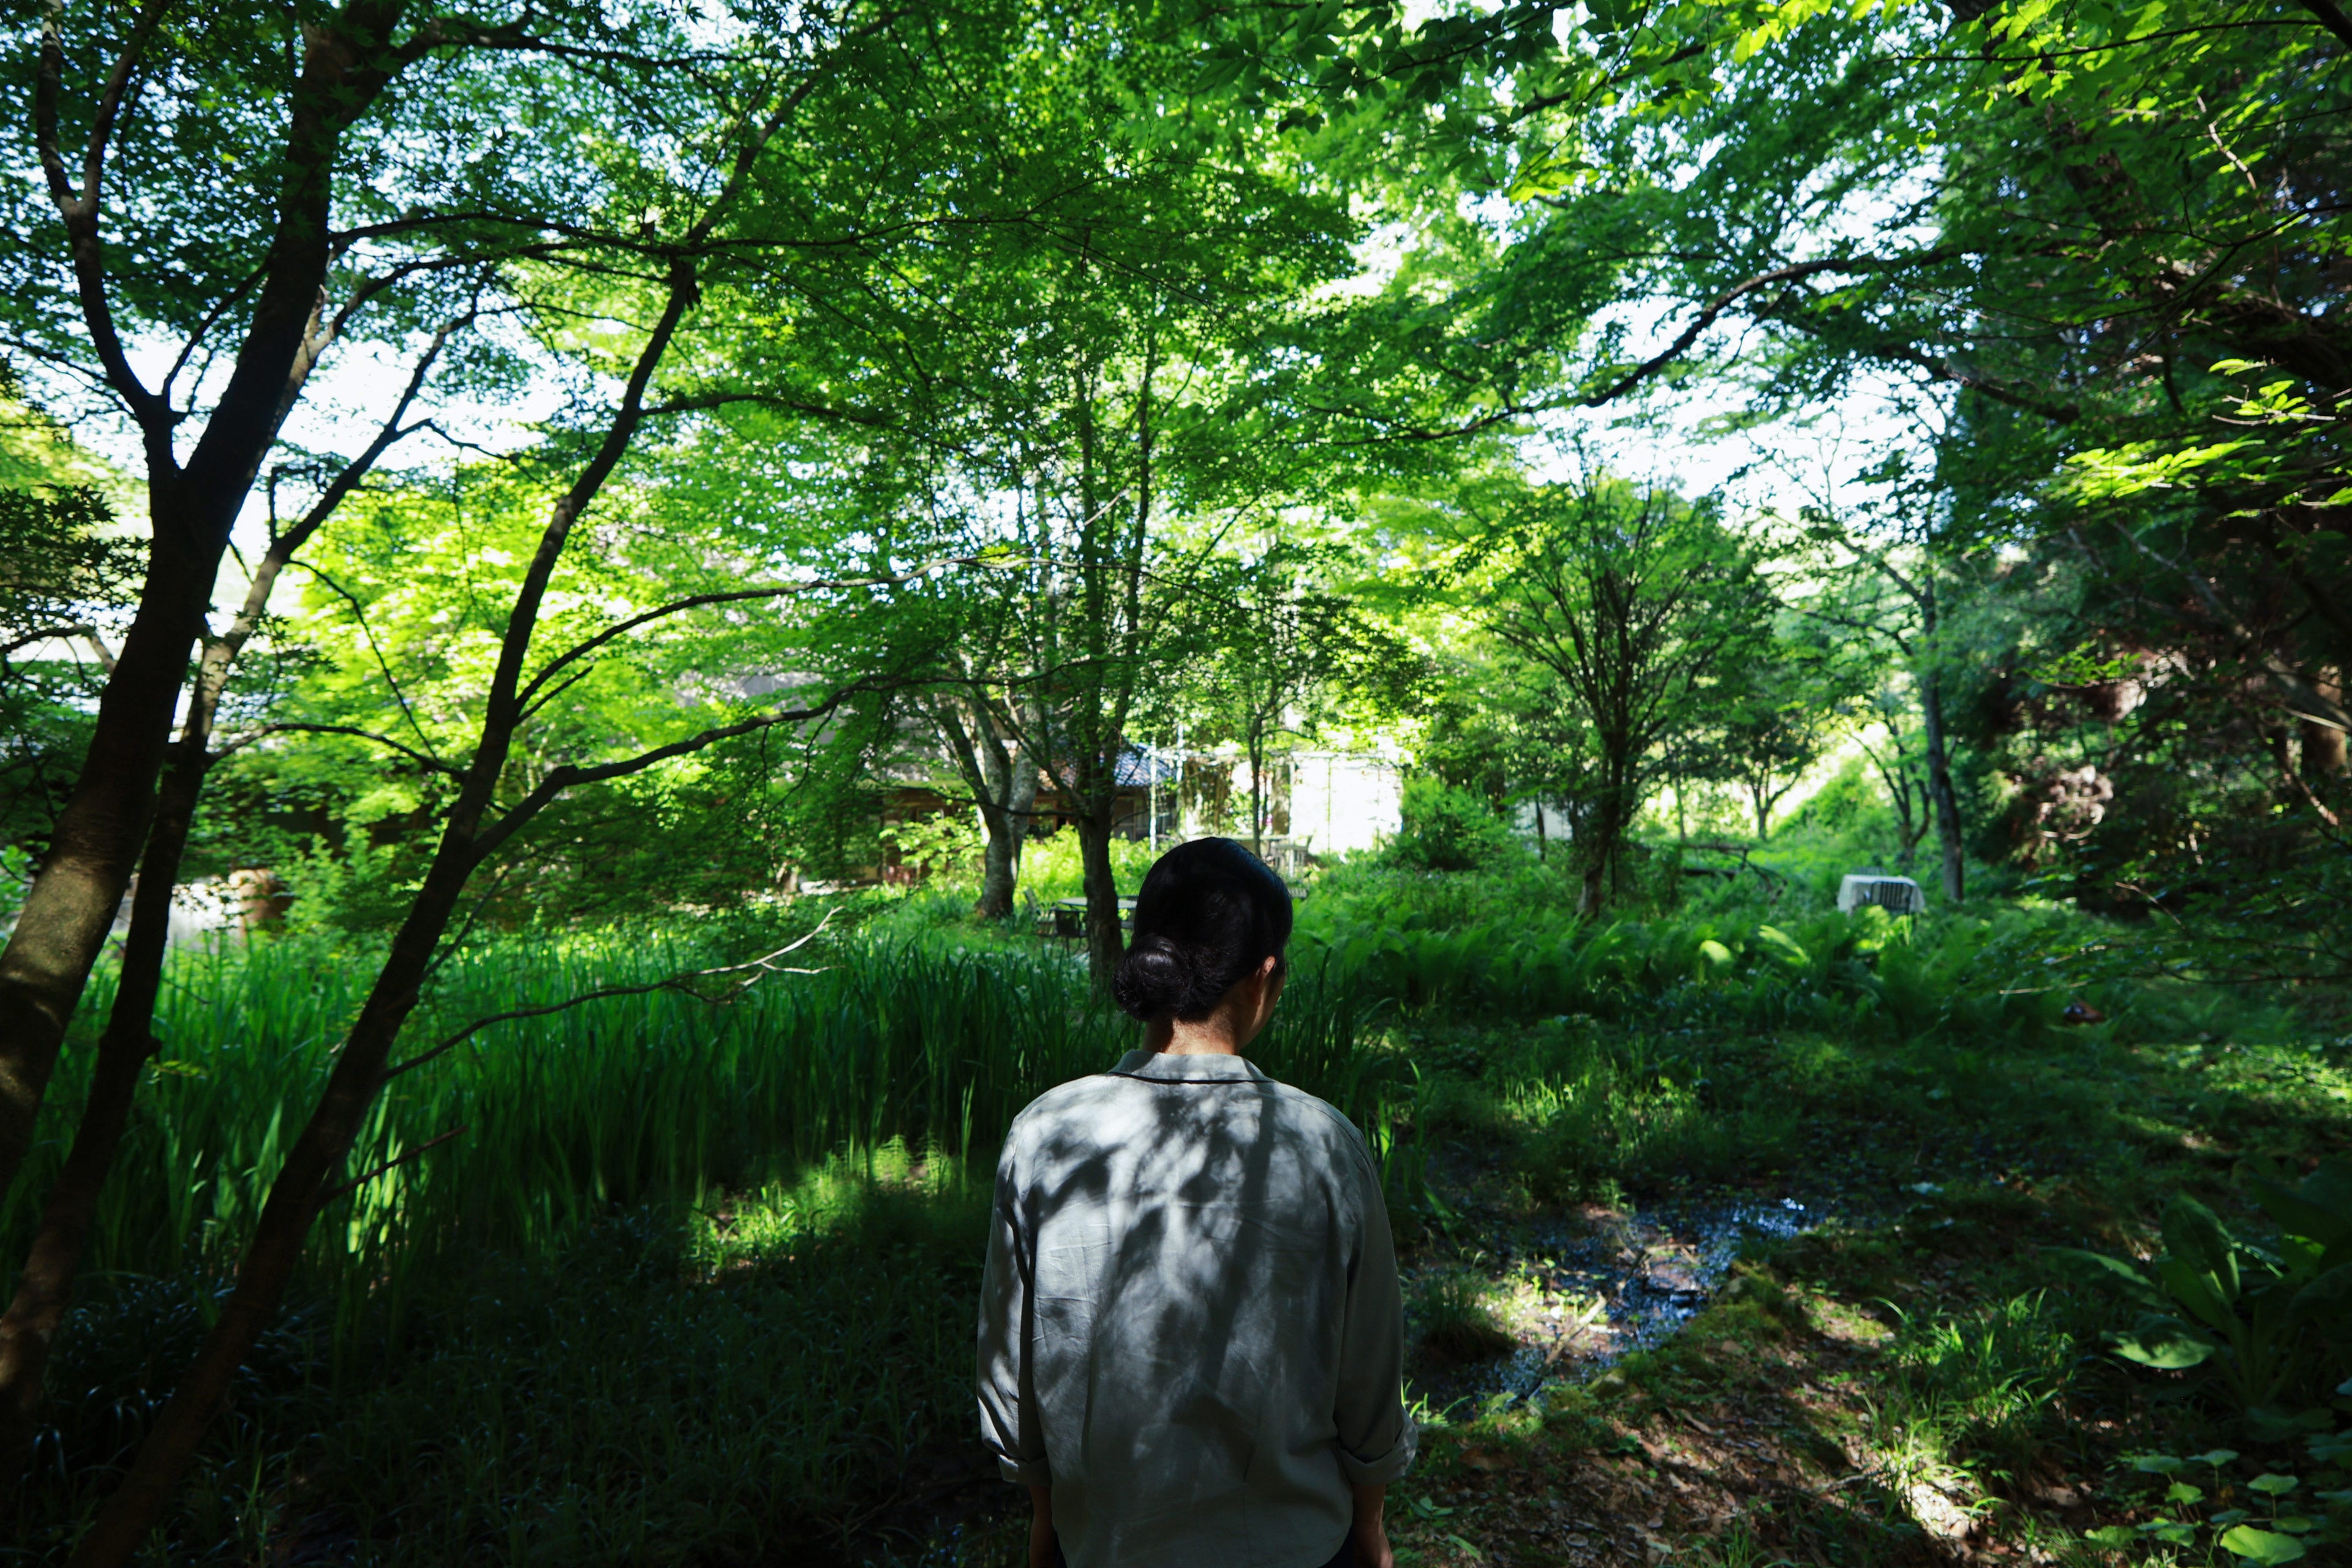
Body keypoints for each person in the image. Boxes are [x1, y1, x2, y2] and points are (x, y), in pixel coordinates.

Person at [978, 837, 1415, 1568]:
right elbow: (1369, 1375)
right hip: (1296, 1550)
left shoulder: (1046, 1133)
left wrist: (1048, 1517)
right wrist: (1370, 1523)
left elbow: (1011, 1365)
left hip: (1105, 1547)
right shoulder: (1322, 1144)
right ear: (1264, 976)